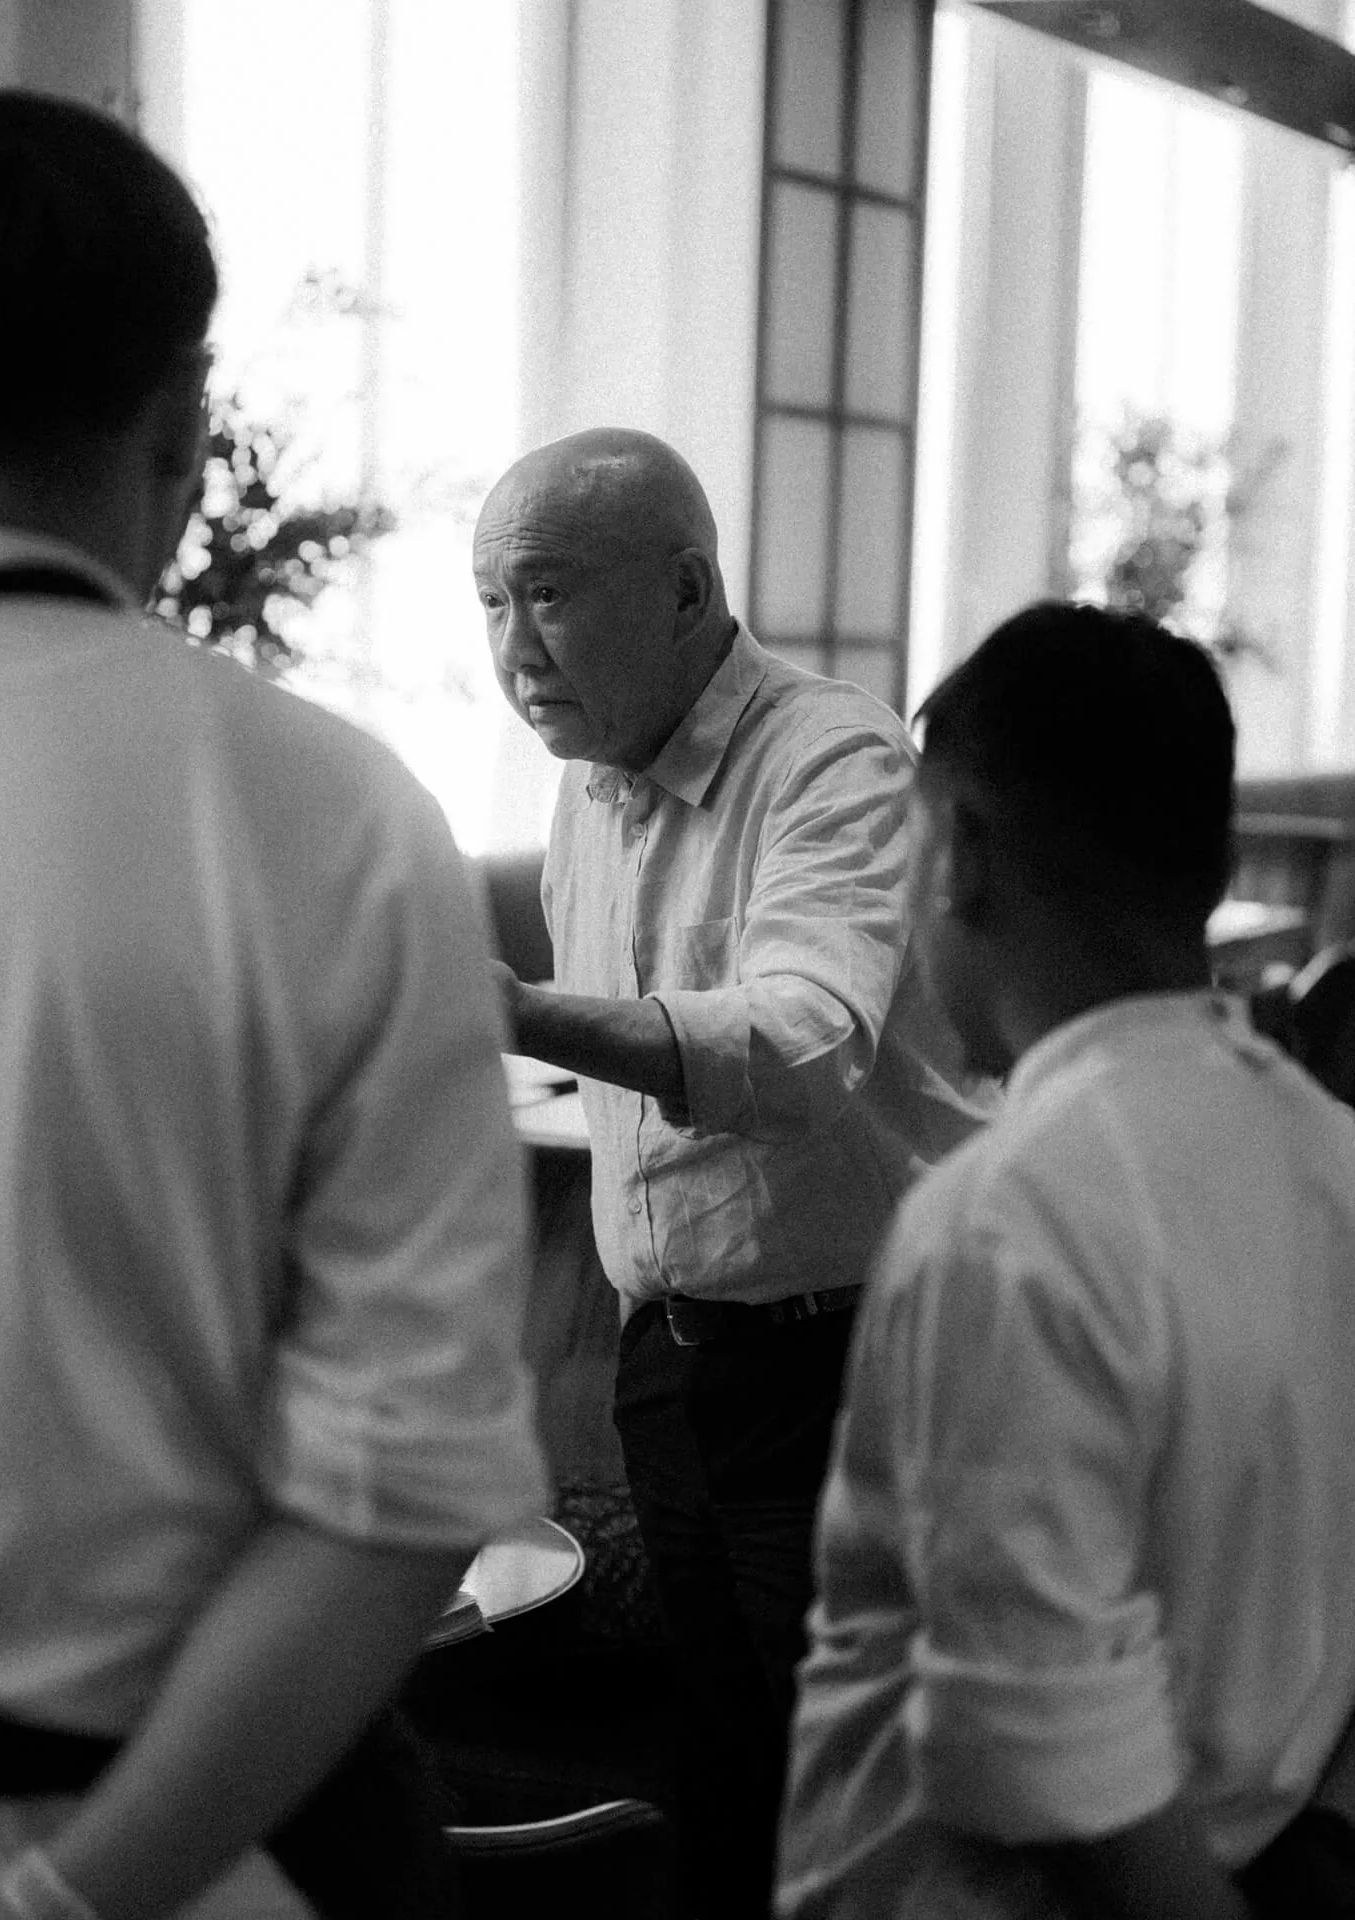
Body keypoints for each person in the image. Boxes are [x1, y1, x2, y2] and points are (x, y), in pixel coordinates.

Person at [0, 89, 546, 1920]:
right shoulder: (334, 816)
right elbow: (400, 1491)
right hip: (205, 1842)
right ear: (183, 427)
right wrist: (71, 1900)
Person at [777, 601, 1355, 1920]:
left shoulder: (1003, 1219)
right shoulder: (1334, 1153)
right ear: (1213, 864)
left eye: (912, 842)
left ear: (965, 854)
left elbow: (1046, 1768)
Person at [475, 427, 987, 1919]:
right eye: (491, 604)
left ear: (691, 591)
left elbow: (805, 1040)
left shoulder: (829, 753)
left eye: (551, 596)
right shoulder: (588, 787)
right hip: (667, 1355)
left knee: (843, 1785)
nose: (516, 646)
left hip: (840, 1357)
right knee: (714, 1752)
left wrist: (514, 1016)